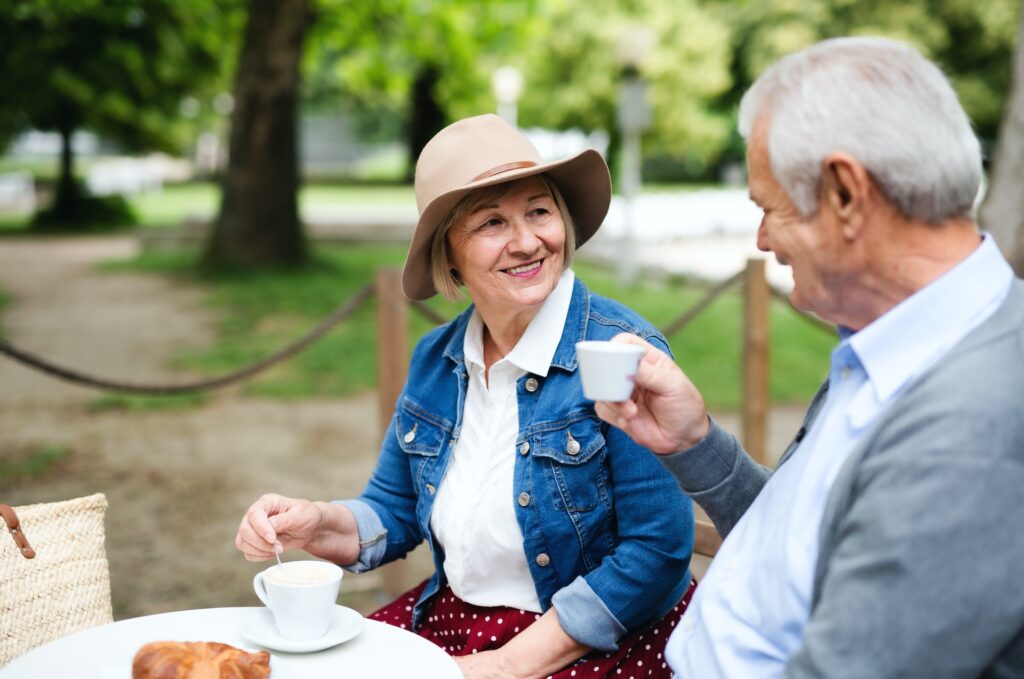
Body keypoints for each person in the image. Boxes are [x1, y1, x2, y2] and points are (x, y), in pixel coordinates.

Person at [597, 36, 1024, 677]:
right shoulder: (894, 342)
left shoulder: (973, 425)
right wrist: (693, 444)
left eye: (769, 207)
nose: (763, 238)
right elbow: (796, 552)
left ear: (846, 194)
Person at [235, 114, 695, 678]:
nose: (527, 241)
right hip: (457, 619)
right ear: (448, 255)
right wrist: (315, 523)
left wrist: (502, 667)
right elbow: (393, 510)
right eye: (492, 223)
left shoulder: (621, 352)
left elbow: (657, 553)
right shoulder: (438, 359)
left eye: (539, 211)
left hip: (597, 641)